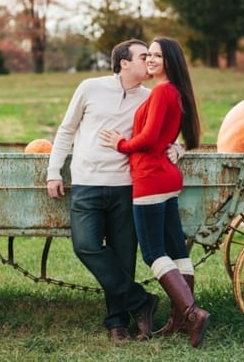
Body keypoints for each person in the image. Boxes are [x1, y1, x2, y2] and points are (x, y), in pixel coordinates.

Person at [46, 39, 160, 344]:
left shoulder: (150, 98)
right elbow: (67, 129)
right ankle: (141, 301)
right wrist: (53, 171)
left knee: (124, 257)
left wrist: (178, 150)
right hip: (86, 183)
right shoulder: (90, 88)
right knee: (85, 245)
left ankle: (117, 323)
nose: (150, 61)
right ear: (124, 62)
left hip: (126, 186)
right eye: (143, 56)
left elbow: (164, 134)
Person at [100, 37, 210, 348]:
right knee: (176, 248)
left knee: (152, 252)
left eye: (158, 55)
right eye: (149, 54)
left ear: (170, 60)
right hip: (166, 178)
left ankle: (191, 313)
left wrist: (120, 144)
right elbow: (164, 137)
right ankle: (178, 319)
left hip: (149, 178)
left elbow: (147, 139)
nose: (151, 59)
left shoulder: (163, 91)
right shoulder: (175, 91)